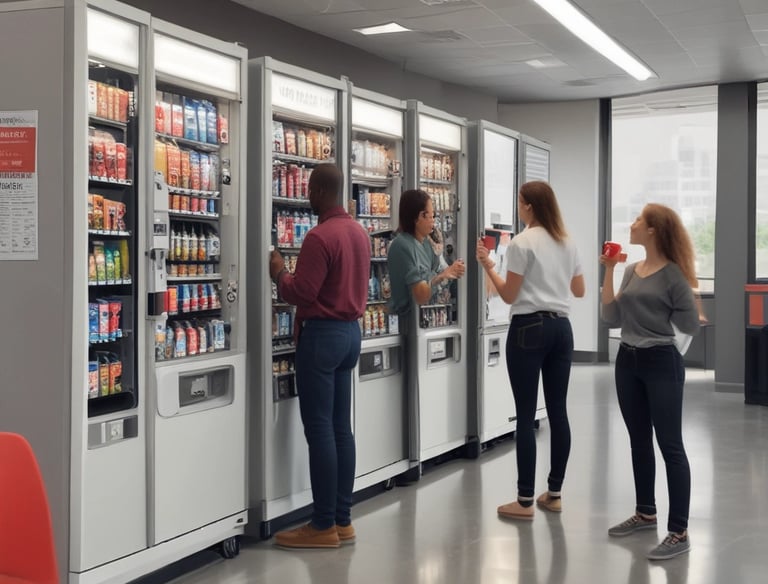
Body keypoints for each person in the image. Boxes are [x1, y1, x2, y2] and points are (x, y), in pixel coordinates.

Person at [269, 164, 371, 549]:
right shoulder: (359, 233)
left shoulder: (318, 236)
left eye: (311, 190)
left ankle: (322, 524)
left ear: (321, 191)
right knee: (341, 428)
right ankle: (343, 520)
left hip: (322, 337)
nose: (307, 197)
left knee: (320, 430)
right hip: (350, 335)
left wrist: (279, 274)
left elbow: (303, 293)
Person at [476, 180, 585, 520]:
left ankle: (524, 502)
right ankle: (554, 493)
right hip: (562, 329)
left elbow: (509, 296)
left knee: (525, 414)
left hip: (528, 329)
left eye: (520, 202)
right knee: (558, 411)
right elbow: (578, 290)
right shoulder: (568, 242)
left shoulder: (522, 243)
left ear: (529, 207)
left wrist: (487, 266)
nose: (519, 207)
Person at [600, 203, 700, 560]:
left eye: (639, 220)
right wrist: (609, 271)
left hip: (661, 362)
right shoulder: (629, 270)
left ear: (654, 230)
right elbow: (610, 316)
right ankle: (645, 513)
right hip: (627, 360)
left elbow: (690, 323)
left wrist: (662, 331)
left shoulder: (674, 275)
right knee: (639, 441)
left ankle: (679, 531)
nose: (633, 224)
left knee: (670, 446)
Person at [387, 189, 465, 318]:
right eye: (431, 216)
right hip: (407, 324)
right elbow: (420, 296)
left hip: (428, 319)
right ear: (420, 216)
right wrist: (442, 276)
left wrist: (451, 270)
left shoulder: (425, 244)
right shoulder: (401, 246)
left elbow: (439, 272)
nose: (433, 222)